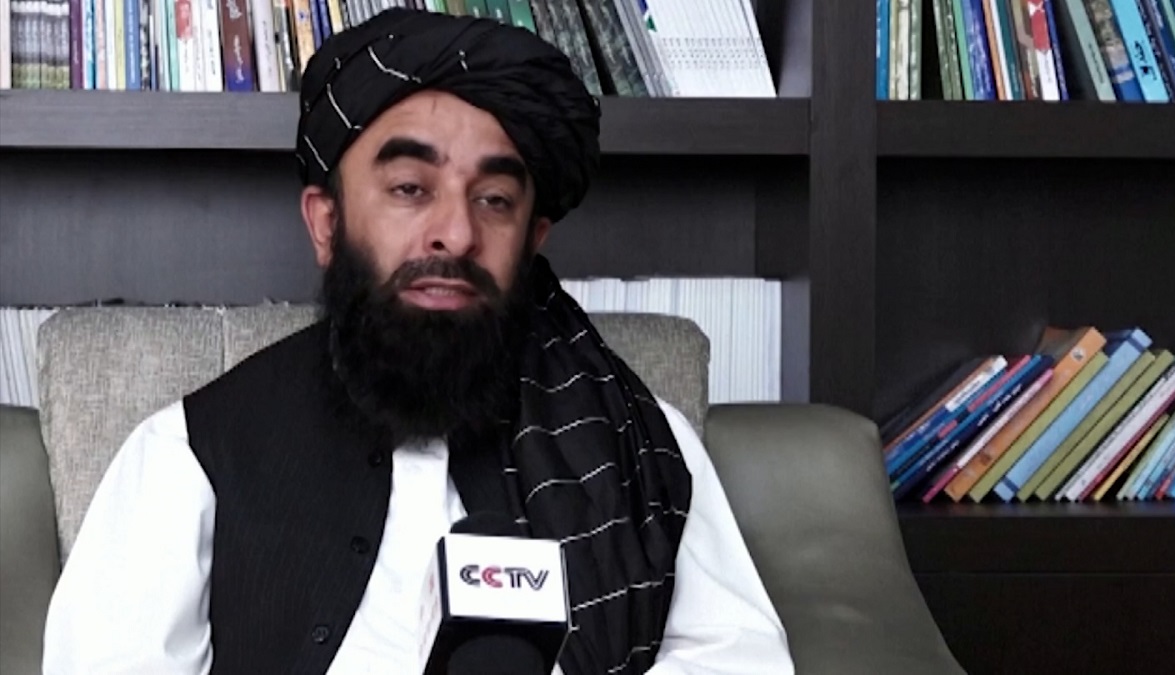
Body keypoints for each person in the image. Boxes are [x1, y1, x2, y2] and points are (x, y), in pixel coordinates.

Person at [42, 8, 793, 675]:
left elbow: (739, 657)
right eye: (410, 189)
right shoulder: (190, 453)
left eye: (494, 199)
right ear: (326, 223)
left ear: (533, 238)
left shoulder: (638, 443)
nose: (457, 232)